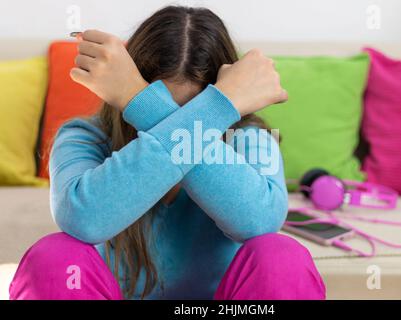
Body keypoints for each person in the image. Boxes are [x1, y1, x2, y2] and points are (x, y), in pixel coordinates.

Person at [9, 6, 325, 300]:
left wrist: (144, 103)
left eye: (197, 112)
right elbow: (83, 221)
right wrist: (210, 110)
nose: (182, 123)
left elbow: (259, 222)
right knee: (54, 257)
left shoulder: (249, 138)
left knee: (282, 257)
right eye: (155, 107)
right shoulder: (84, 136)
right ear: (122, 102)